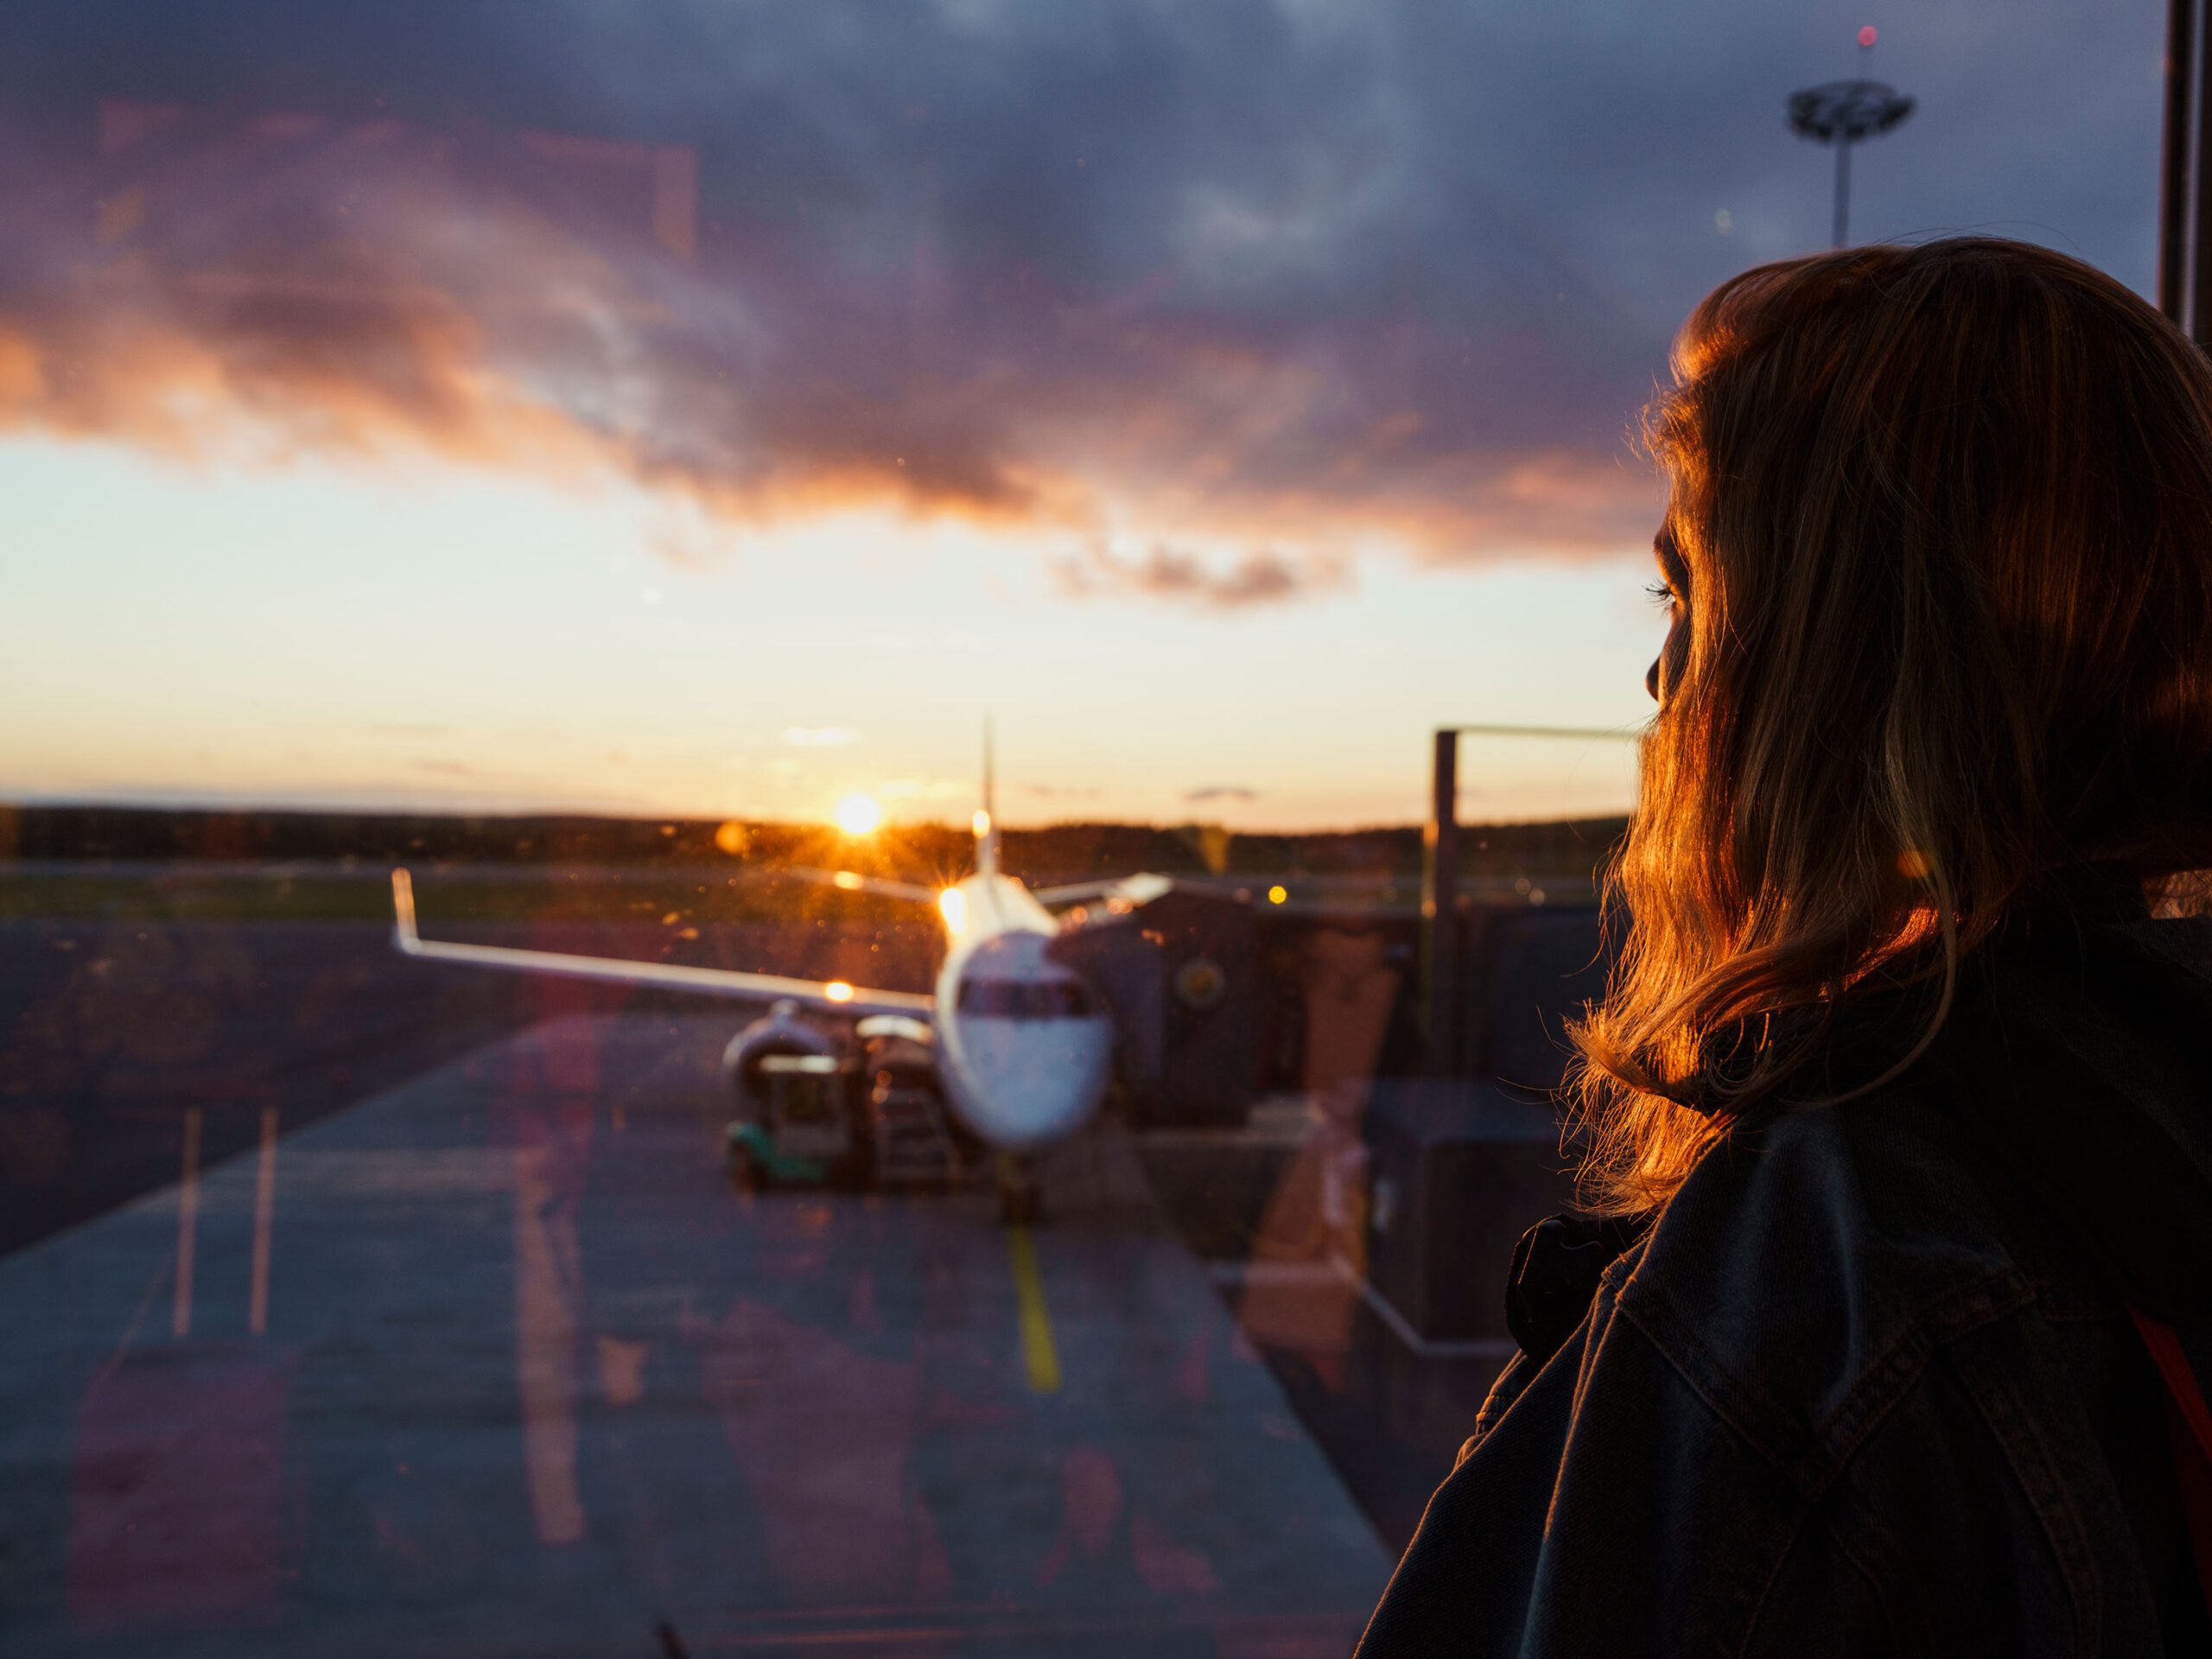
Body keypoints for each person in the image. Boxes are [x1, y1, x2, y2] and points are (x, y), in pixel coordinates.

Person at [1357, 238, 2212, 1656]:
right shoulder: (2150, 1110)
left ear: (1837, 667)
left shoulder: (1824, 1271)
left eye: (1686, 596)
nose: (1656, 680)